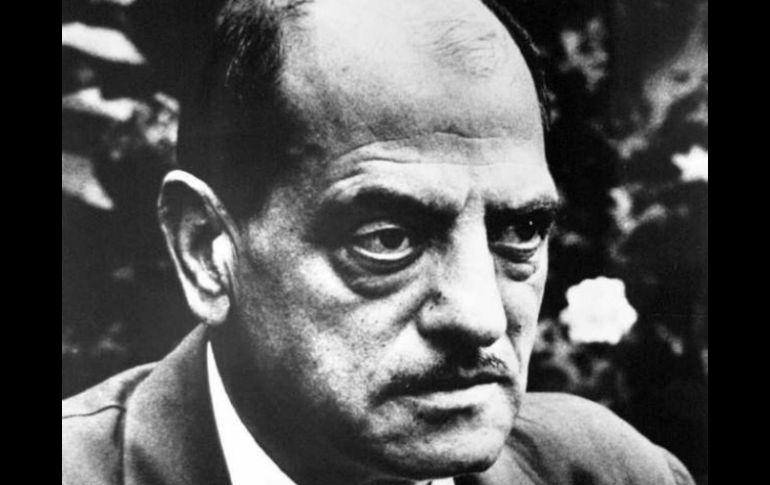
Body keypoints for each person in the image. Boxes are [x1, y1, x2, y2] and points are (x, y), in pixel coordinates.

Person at [62, 1, 696, 484]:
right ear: (207, 251)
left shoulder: (616, 472)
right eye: (388, 239)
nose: (480, 317)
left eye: (521, 231)